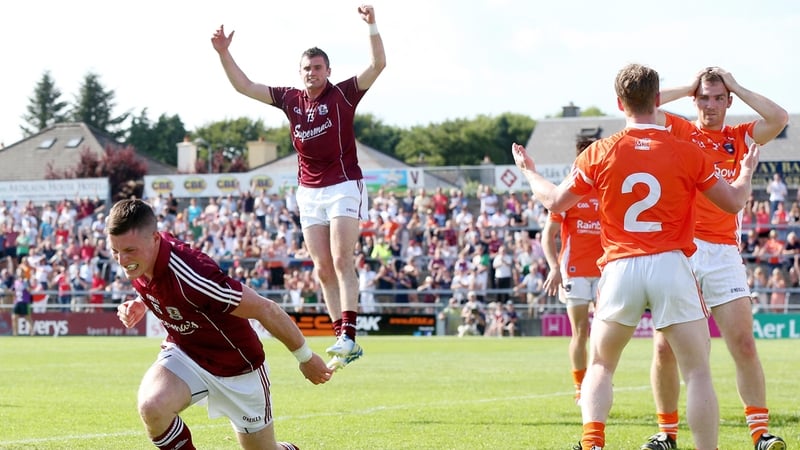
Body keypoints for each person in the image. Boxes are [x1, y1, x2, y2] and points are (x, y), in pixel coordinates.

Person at [512, 63, 758, 450]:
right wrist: (744, 173)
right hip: (671, 264)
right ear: (658, 101)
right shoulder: (686, 149)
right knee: (696, 372)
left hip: (621, 267)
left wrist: (529, 172)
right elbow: (732, 202)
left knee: (601, 364)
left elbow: (555, 200)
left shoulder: (600, 151)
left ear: (619, 103)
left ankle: (593, 440)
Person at [211, 4, 386, 371]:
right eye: (307, 68)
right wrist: (224, 53)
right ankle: (342, 336)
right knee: (322, 268)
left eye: (318, 68)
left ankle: (350, 334)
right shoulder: (290, 99)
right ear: (300, 72)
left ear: (328, 71)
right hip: (308, 192)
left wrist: (371, 27)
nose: (312, 73)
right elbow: (244, 86)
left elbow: (378, 65)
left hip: (343, 184)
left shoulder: (342, 95)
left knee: (341, 260)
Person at [107, 199, 332, 450]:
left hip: (238, 368)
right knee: (153, 406)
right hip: (187, 355)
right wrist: (142, 302)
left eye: (129, 251)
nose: (122, 260)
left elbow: (264, 308)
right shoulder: (143, 256)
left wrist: (305, 357)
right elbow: (164, 288)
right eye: (115, 251)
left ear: (156, 239)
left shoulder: (193, 275)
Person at [643, 67, 789, 450]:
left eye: (717, 97)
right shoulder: (678, 129)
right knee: (664, 347)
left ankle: (759, 433)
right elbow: (647, 104)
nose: (710, 104)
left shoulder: (739, 138)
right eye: (703, 97)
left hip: (723, 252)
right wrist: (689, 86)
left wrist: (738, 85)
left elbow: (779, 118)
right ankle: (666, 433)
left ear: (728, 101)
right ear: (695, 99)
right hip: (679, 250)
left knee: (742, 343)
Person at [541, 135, 602, 406]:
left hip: (605, 272)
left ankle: (599, 380)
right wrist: (554, 267)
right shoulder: (569, 192)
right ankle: (580, 387)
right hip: (575, 270)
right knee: (581, 331)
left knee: (604, 332)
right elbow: (548, 235)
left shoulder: (608, 189)